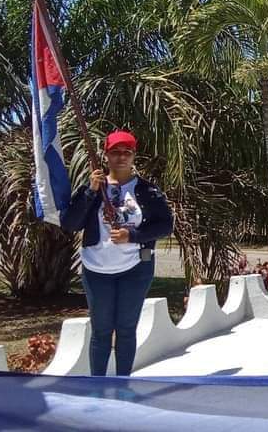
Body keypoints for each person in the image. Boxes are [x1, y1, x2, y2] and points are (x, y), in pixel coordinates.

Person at [60, 130, 173, 376]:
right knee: (101, 330)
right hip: (96, 269)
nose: (121, 157)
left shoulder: (147, 191)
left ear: (134, 156)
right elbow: (70, 223)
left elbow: (165, 225)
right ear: (106, 155)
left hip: (135, 268)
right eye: (115, 152)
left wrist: (131, 236)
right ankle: (97, 386)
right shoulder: (92, 187)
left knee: (126, 328)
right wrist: (91, 191)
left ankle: (123, 384)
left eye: (127, 152)